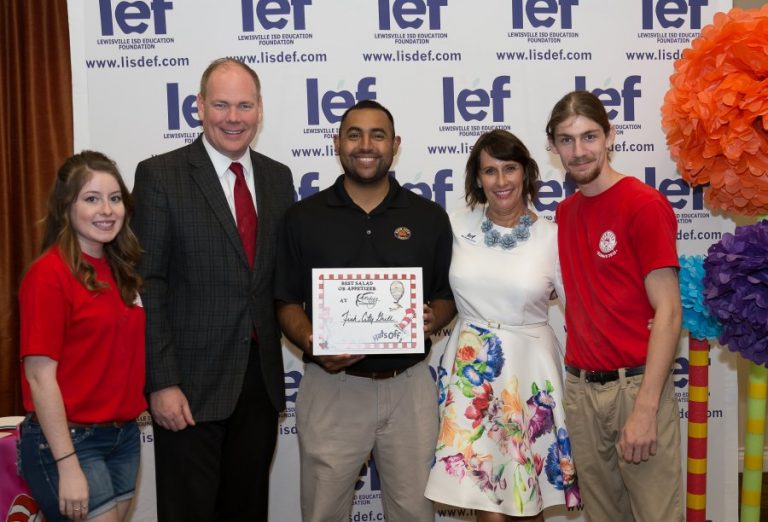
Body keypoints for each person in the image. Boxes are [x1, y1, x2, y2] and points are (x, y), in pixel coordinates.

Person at [275, 99, 456, 522]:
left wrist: (435, 317)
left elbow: (447, 295)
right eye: (354, 134)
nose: (365, 144)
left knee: (414, 512)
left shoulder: (428, 217)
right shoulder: (303, 217)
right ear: (337, 143)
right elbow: (284, 300)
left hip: (408, 387)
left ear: (395, 145)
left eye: (377, 135)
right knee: (322, 513)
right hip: (332, 387)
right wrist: (312, 341)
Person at [131, 58, 295, 521]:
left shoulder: (278, 178)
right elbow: (150, 283)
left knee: (246, 511)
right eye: (221, 104)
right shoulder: (161, 175)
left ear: (260, 109)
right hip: (188, 387)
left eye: (244, 105)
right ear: (199, 107)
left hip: (258, 384)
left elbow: (285, 277)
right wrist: (161, 382)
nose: (233, 117)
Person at [424, 130, 581, 521]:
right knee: (484, 499)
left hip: (531, 374)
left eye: (509, 168)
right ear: (477, 179)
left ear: (526, 173)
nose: (501, 181)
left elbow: (581, 308)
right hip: (471, 372)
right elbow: (429, 287)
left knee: (529, 499)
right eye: (489, 171)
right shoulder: (454, 225)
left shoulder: (553, 237)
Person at [547, 91, 683, 521]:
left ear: (610, 137)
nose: (579, 150)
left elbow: (669, 312)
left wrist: (645, 409)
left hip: (636, 389)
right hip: (581, 392)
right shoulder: (565, 214)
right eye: (566, 140)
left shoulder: (642, 204)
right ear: (553, 147)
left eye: (589, 136)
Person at [18, 150, 145, 522]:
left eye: (115, 198)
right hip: (71, 442)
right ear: (66, 207)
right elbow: (40, 378)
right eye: (91, 199)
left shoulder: (121, 271)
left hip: (122, 438)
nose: (107, 210)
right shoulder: (49, 275)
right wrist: (67, 464)